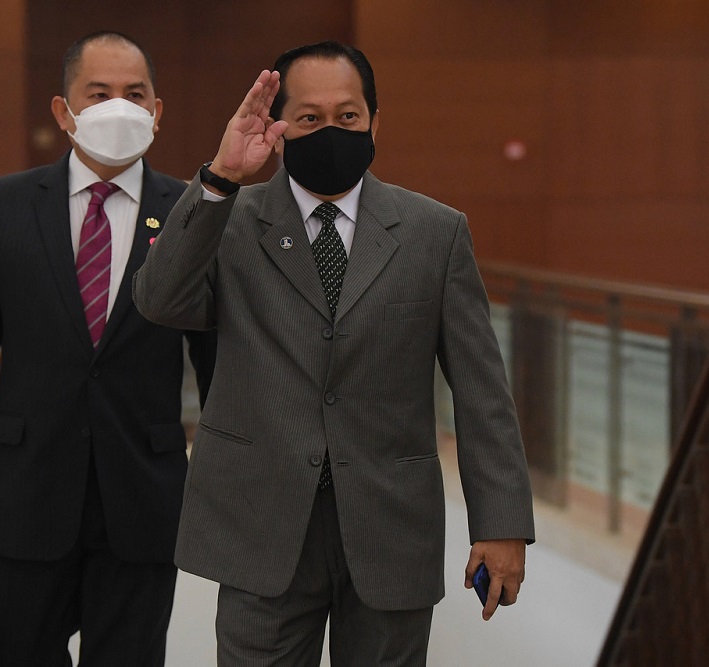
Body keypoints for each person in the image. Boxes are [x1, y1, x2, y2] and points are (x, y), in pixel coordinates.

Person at [133, 41, 535, 665]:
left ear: (376, 123)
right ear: (280, 126)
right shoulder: (230, 222)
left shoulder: (435, 233)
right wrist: (219, 178)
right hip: (260, 524)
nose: (331, 130)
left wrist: (501, 521)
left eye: (348, 116)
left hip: (389, 527)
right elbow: (159, 300)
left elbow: (482, 389)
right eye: (311, 118)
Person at [0, 31, 215, 666]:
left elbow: (217, 366)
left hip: (143, 498)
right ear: (63, 111)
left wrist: (234, 484)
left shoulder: (189, 210)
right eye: (98, 94)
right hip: (27, 493)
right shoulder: (5, 205)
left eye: (134, 94)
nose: (117, 107)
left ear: (157, 111)